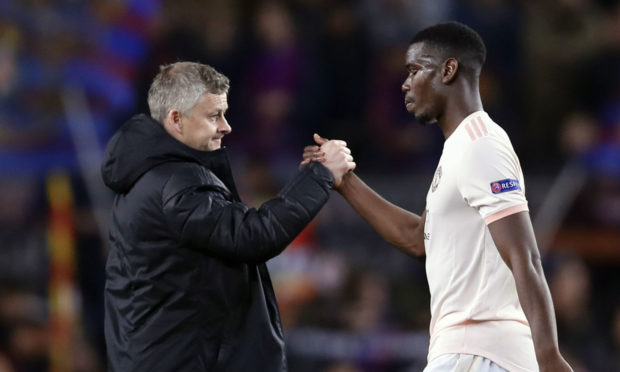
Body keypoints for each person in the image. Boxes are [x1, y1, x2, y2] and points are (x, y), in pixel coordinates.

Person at [303, 22, 572, 372]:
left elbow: (525, 255)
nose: (405, 83)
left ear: (448, 70)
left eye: (415, 70)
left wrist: (549, 357)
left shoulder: (480, 144)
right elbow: (417, 239)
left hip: (479, 352)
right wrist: (346, 182)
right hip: (469, 352)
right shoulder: (459, 149)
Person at [100, 61, 355, 371]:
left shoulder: (150, 175)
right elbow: (252, 236)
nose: (226, 126)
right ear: (176, 119)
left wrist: (306, 182)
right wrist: (321, 176)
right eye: (213, 116)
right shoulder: (176, 182)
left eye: (224, 113)